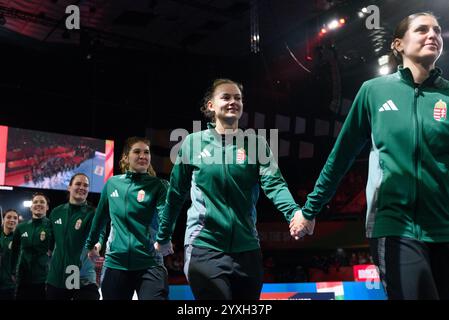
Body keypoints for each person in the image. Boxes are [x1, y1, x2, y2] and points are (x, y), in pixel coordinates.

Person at [290, 12, 449, 300]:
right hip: (395, 227)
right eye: (422, 29)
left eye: (437, 30)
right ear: (398, 44)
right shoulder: (374, 92)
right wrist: (310, 210)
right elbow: (341, 156)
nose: (433, 35)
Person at [154, 78, 302, 300]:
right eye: (226, 97)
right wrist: (164, 235)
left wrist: (294, 212)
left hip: (248, 249)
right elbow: (175, 194)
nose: (233, 102)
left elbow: (274, 184)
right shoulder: (192, 143)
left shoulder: (256, 144)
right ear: (211, 106)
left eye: (238, 98)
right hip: (204, 246)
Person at [85, 137, 169, 300]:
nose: (143, 156)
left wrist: (165, 238)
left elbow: (164, 215)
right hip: (116, 263)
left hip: (150, 262)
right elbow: (100, 218)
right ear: (125, 157)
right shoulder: (112, 184)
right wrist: (91, 244)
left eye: (146, 152)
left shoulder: (158, 185)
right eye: (137, 151)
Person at [46, 173, 102, 300]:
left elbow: (99, 234)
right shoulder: (56, 212)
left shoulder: (92, 213)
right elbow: (49, 242)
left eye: (86, 185)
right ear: (69, 187)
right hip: (56, 278)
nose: (82, 187)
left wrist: (97, 245)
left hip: (81, 276)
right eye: (78, 184)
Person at [11, 192, 53, 300]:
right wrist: (12, 272)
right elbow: (14, 251)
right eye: (35, 202)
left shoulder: (52, 226)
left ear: (47, 207)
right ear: (31, 207)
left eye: (42, 202)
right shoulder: (21, 227)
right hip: (23, 279)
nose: (38, 204)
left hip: (44, 280)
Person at [0, 209, 19, 300]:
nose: (12, 220)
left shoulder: (20, 239)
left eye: (15, 218)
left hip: (10, 286)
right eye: (8, 217)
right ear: (3, 219)